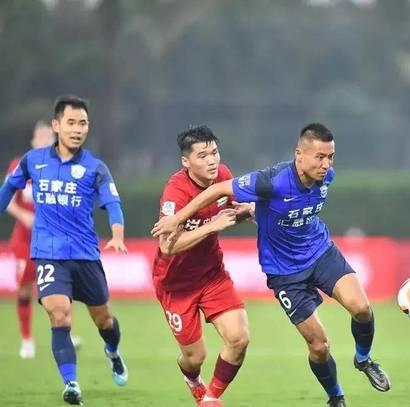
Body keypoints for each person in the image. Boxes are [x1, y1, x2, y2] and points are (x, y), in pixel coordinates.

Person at [152, 123, 391, 407]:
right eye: (320, 157)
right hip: (269, 274)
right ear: (299, 154)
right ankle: (335, 396)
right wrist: (184, 221)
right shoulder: (268, 181)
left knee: (360, 308)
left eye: (330, 157)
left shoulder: (326, 177)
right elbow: (172, 241)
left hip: (312, 253)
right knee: (316, 345)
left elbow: (239, 206)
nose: (326, 164)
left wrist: (250, 212)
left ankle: (363, 360)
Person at [0, 95, 129, 405]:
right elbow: (8, 189)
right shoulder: (33, 161)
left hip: (85, 254)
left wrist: (117, 234)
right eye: (71, 122)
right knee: (59, 314)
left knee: (104, 320)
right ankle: (71, 383)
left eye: (82, 123)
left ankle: (113, 351)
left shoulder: (95, 167)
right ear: (56, 125)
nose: (77, 129)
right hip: (48, 252)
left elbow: (112, 203)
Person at [153, 125, 252, 407]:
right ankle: (193, 380)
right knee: (195, 357)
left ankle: (210, 398)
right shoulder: (175, 192)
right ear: (186, 161)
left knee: (239, 339)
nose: (212, 161)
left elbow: (234, 212)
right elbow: (167, 246)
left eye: (215, 153)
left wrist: (249, 212)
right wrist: (211, 226)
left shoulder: (223, 175)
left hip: (212, 275)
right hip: (176, 284)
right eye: (203, 155)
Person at [5, 120, 55, 358]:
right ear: (33, 141)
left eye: (49, 138)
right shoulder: (20, 165)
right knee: (25, 289)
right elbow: (7, 201)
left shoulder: (60, 167)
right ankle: (26, 339)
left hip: (51, 240)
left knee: (59, 287)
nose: (45, 141)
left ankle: (65, 334)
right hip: (25, 240)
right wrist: (24, 215)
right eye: (41, 137)